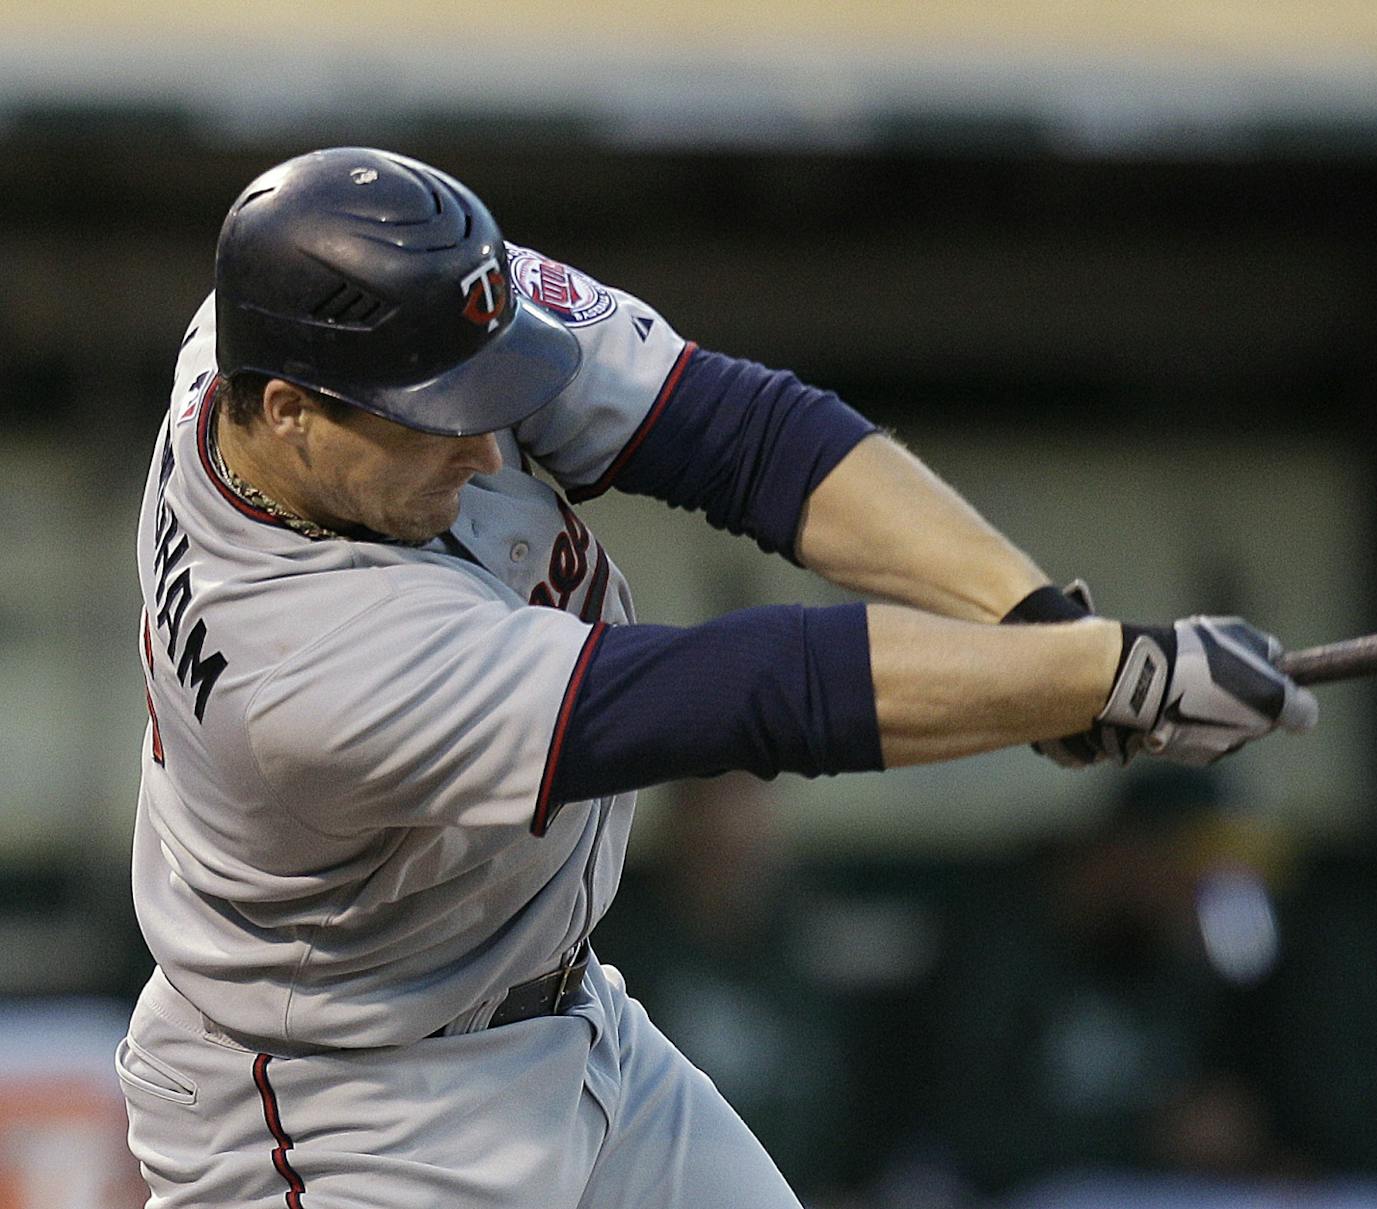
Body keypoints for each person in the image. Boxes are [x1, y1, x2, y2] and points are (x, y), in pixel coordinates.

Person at [119, 146, 1316, 1208]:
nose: (490, 445)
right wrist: (1089, 678)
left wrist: (1035, 624)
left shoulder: (311, 318)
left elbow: (744, 436)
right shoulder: (298, 668)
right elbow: (749, 694)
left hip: (566, 1023)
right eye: (441, 418)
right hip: (352, 1117)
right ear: (287, 415)